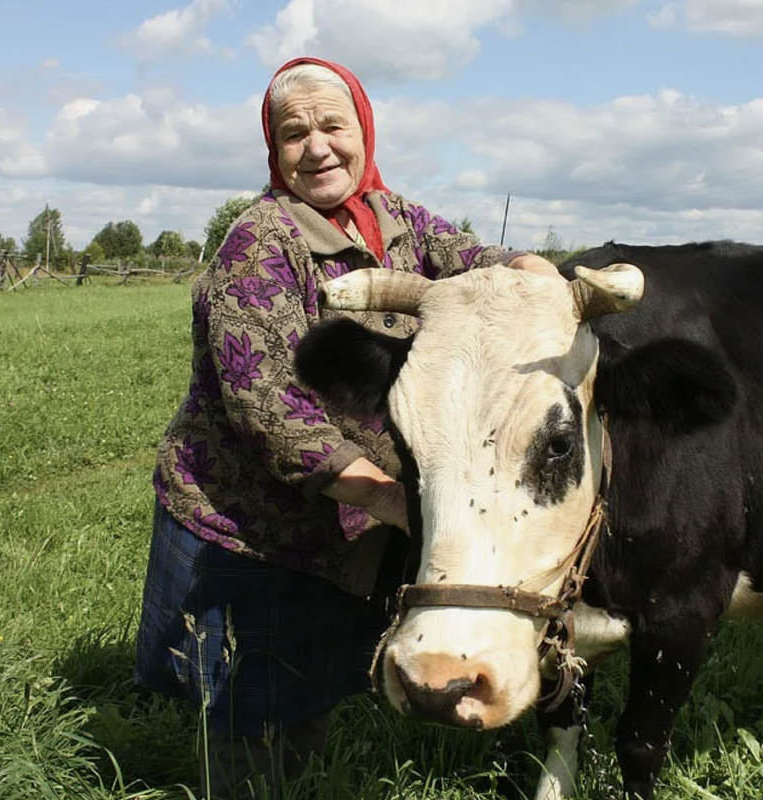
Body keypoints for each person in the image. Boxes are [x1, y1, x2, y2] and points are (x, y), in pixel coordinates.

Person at [134, 56, 559, 798]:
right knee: (247, 706)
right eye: (294, 133)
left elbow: (470, 258)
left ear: (363, 129)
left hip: (340, 523)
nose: (317, 147)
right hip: (252, 523)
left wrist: (533, 268)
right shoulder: (259, 242)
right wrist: (386, 496)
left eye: (333, 125)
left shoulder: (394, 218)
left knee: (306, 693)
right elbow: (262, 398)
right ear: (274, 150)